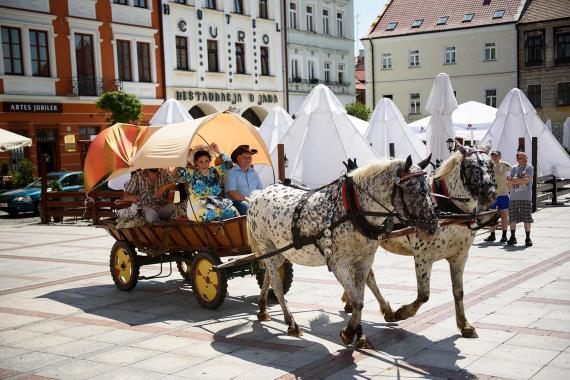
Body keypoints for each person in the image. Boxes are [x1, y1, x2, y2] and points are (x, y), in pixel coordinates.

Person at [183, 143, 238, 222]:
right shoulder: (191, 173)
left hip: (215, 204)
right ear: (196, 162)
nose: (204, 164)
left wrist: (218, 151)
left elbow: (229, 165)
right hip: (197, 206)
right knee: (210, 214)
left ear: (210, 161)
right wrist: (182, 157)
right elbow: (174, 175)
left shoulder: (215, 171)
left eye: (206, 161)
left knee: (233, 212)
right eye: (201, 162)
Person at [225, 144, 264, 215]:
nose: (249, 160)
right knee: (246, 206)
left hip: (253, 202)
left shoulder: (254, 173)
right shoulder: (231, 173)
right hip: (237, 203)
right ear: (238, 158)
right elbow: (231, 193)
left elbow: (261, 191)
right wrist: (248, 200)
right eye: (246, 157)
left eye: (250, 157)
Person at [506, 151, 534, 247]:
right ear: (517, 159)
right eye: (522, 158)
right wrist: (518, 181)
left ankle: (528, 238)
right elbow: (508, 183)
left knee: (527, 218)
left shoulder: (529, 167)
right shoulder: (514, 168)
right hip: (513, 198)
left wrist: (515, 180)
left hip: (526, 198)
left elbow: (527, 180)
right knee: (512, 218)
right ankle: (513, 237)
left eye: (525, 157)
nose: (525, 159)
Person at [484, 151, 512, 243]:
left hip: (503, 194)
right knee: (491, 216)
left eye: (496, 155)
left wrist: (511, 182)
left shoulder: (505, 165)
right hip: (492, 195)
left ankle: (504, 235)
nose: (494, 157)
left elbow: (514, 172)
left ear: (500, 156)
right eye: (493, 155)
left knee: (504, 215)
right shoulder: (488, 165)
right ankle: (492, 235)